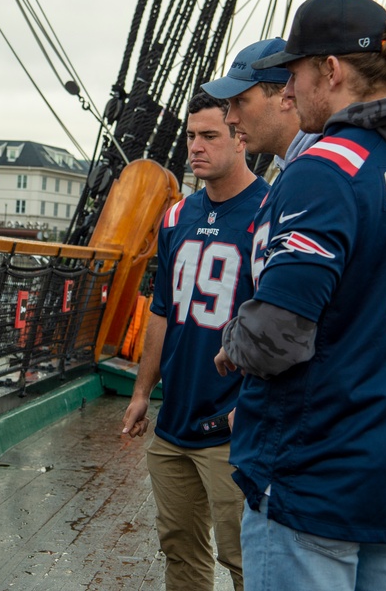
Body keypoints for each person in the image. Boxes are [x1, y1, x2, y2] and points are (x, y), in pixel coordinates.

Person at [214, 0, 386, 591]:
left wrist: (235, 345)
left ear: (330, 71)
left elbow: (276, 334)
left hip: (319, 477)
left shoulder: (326, 169)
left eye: (295, 75)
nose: (286, 93)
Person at [122, 92, 268, 591]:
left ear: (240, 138)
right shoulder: (175, 216)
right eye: (190, 136)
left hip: (232, 424)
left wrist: (251, 404)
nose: (195, 147)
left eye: (210, 136)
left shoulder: (269, 213)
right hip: (173, 421)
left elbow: (281, 324)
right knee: (180, 552)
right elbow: (161, 311)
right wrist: (143, 394)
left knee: (246, 559)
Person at [202, 37, 320, 172]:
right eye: (230, 105)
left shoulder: (318, 173)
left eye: (240, 101)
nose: (230, 119)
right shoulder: (300, 167)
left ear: (285, 98)